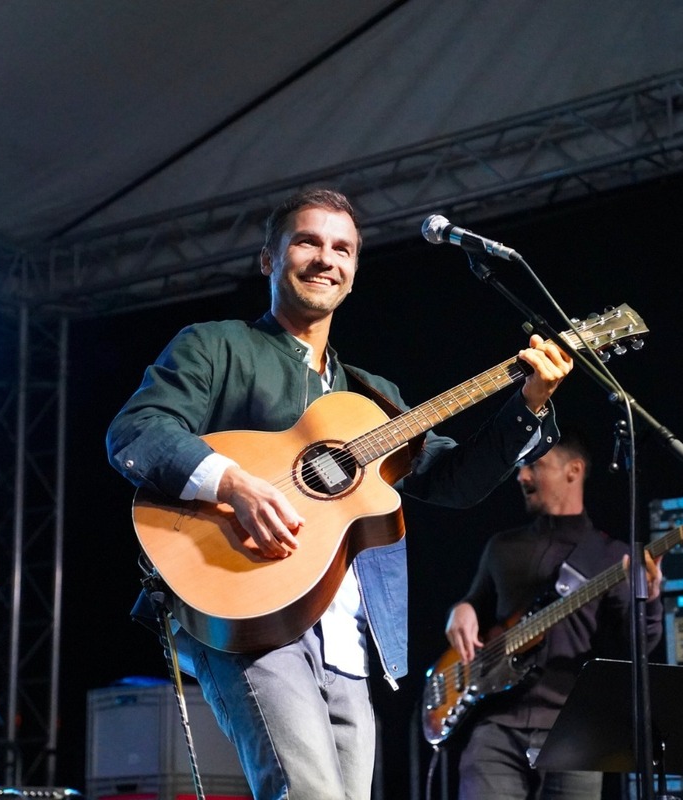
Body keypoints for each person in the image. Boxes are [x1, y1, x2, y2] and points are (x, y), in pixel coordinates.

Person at [106, 186, 574, 800]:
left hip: (347, 629)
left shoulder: (370, 396)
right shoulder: (215, 346)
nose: (326, 258)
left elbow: (452, 482)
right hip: (247, 607)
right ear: (269, 259)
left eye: (343, 249)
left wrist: (530, 402)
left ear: (353, 274)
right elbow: (136, 430)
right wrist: (234, 482)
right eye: (307, 242)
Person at [443, 427, 664, 800]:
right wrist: (460, 609)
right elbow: (473, 605)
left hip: (572, 732)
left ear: (573, 471)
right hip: (495, 728)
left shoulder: (612, 556)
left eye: (535, 464)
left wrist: (651, 599)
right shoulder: (502, 547)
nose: (522, 475)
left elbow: (638, 646)